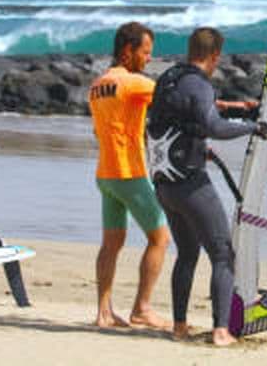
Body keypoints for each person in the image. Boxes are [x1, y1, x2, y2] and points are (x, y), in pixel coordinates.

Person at [147, 27, 267, 346]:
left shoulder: (169, 78)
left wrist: (226, 115)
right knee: (222, 253)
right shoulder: (199, 84)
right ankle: (220, 330)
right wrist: (252, 127)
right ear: (215, 55)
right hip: (190, 184)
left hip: (164, 184)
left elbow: (182, 120)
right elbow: (212, 126)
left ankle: (179, 326)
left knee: (187, 253)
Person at [88, 22, 170, 329]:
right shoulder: (133, 83)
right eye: (146, 52)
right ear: (128, 51)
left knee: (111, 243)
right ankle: (142, 309)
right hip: (129, 173)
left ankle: (103, 312)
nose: (148, 59)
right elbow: (176, 97)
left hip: (105, 175)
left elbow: (99, 131)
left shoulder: (96, 86)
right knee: (160, 238)